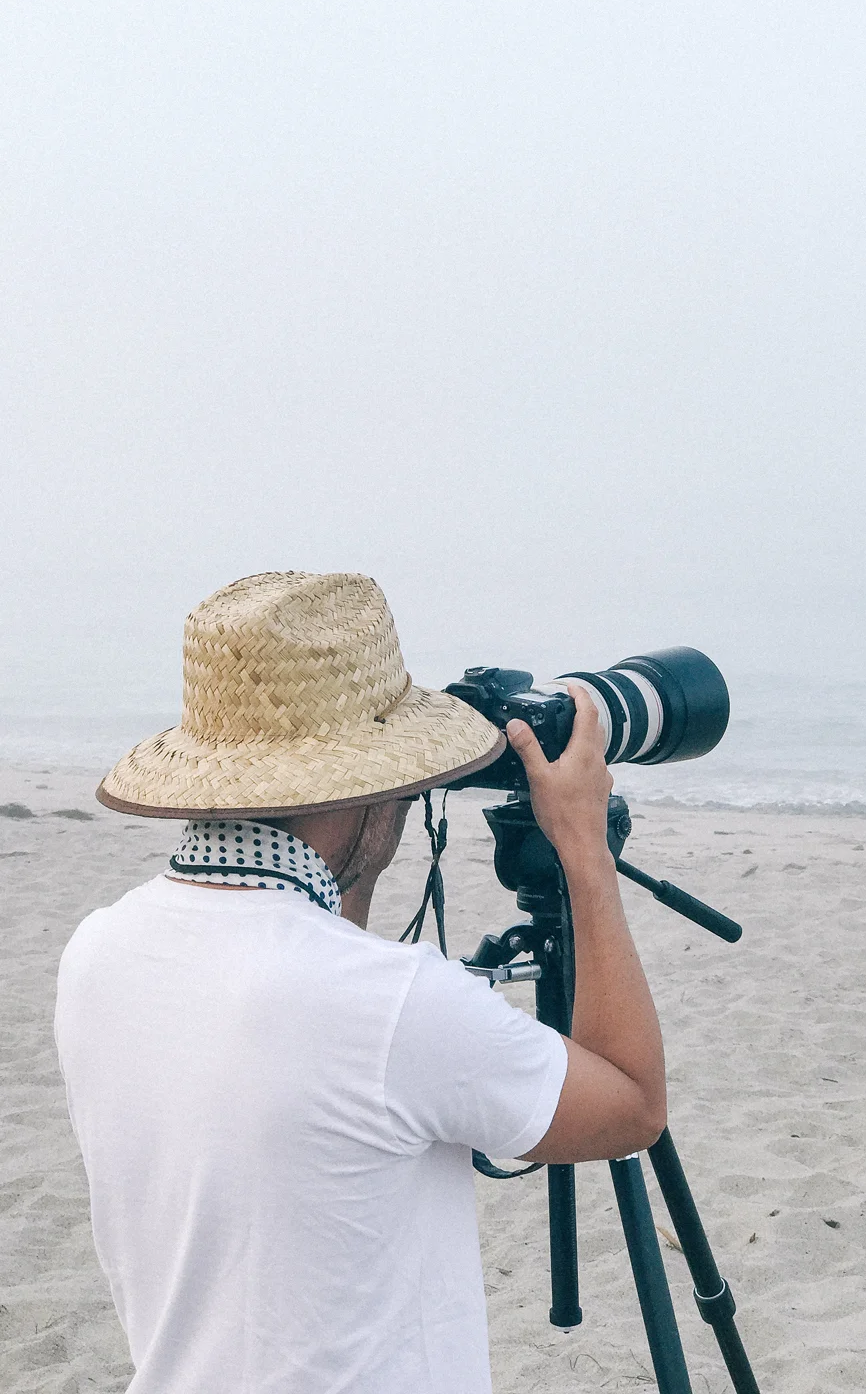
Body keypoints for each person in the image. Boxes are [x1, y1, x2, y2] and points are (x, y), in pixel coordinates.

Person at [55, 571, 666, 1394]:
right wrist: (585, 851)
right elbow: (633, 1105)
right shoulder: (391, 1004)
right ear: (375, 785)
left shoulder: (98, 951)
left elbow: (305, 997)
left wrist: (361, 847)